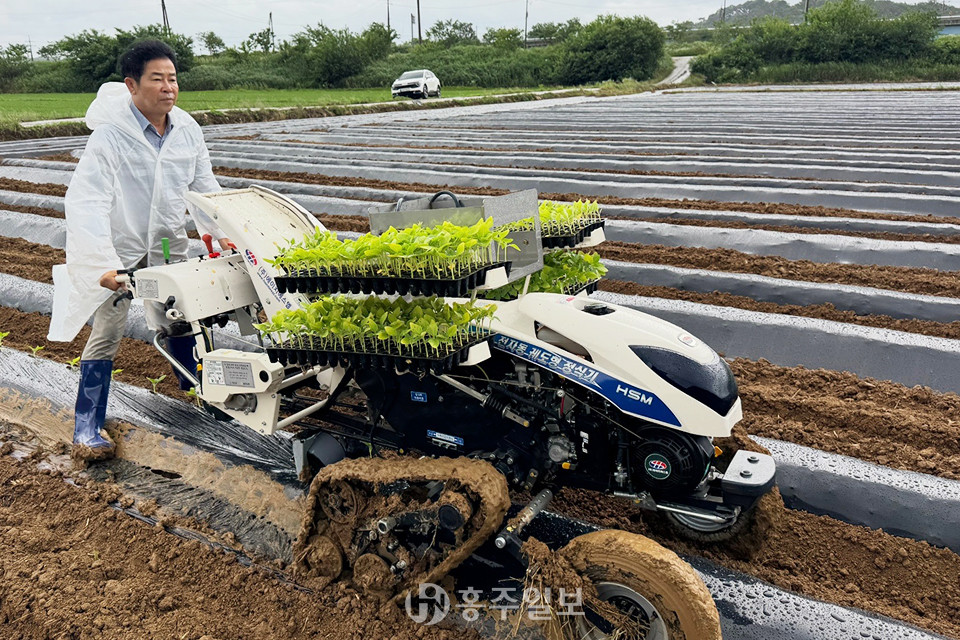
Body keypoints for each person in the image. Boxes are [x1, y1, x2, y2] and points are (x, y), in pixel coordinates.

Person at [47, 40, 231, 457]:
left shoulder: (186, 128)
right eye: (157, 79)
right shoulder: (112, 136)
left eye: (173, 79)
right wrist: (102, 264)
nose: (169, 88)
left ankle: (198, 392)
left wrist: (224, 235)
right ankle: (87, 425)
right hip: (119, 245)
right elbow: (87, 199)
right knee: (109, 330)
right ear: (132, 85)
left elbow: (204, 189)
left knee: (179, 316)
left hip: (165, 239)